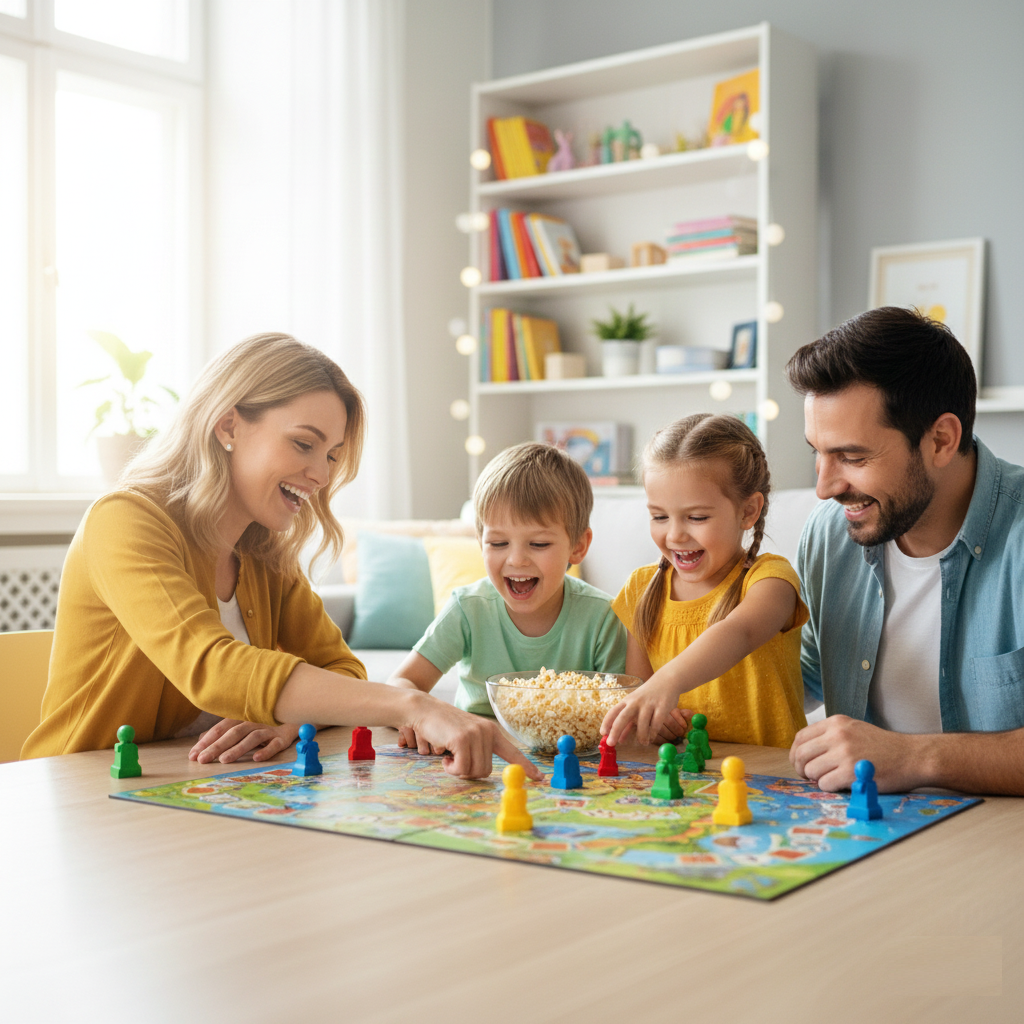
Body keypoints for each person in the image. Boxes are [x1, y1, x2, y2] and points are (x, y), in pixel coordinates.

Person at [21, 333, 539, 782]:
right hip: (85, 792)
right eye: (303, 444)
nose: (320, 474)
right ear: (228, 427)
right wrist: (413, 702)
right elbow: (210, 666)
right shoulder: (125, 520)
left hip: (195, 791)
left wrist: (289, 719)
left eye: (332, 454)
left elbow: (341, 669)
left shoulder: (264, 549)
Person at [787, 306, 1024, 795]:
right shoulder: (831, 535)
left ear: (940, 440)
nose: (826, 487)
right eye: (818, 452)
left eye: (852, 457)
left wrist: (915, 757)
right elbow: (798, 675)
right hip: (876, 836)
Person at [387, 442, 627, 749]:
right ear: (480, 541)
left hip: (570, 760)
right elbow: (400, 685)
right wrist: (421, 715)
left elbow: (622, 712)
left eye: (538, 544)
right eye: (498, 543)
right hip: (476, 756)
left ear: (578, 546)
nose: (516, 560)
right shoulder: (468, 609)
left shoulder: (603, 615)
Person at [602, 414, 809, 749]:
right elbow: (640, 693)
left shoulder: (770, 581)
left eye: (696, 517)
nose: (675, 534)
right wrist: (656, 722)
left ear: (748, 511)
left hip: (772, 778)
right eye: (659, 516)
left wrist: (667, 681)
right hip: (682, 778)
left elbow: (738, 632)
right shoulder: (640, 589)